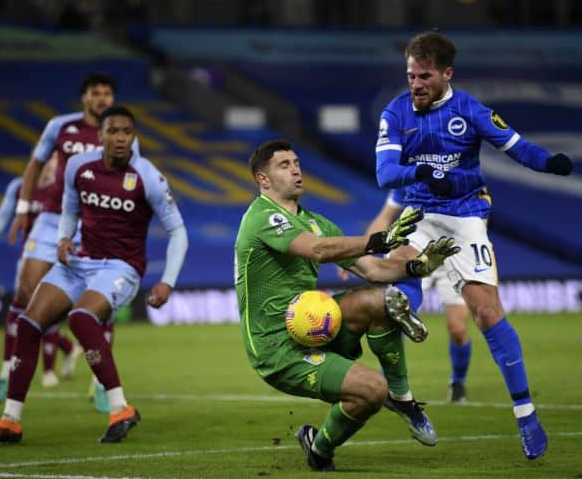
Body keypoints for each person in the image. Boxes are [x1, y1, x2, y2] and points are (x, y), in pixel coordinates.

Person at [374, 31, 573, 460]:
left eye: (424, 76)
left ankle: (525, 413)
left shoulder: (469, 110)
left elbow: (517, 148)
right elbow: (386, 174)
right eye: (410, 76)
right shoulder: (395, 112)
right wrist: (423, 176)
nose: (415, 85)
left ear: (446, 74)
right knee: (400, 262)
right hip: (420, 214)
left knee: (485, 312)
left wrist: (551, 164)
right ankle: (402, 303)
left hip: (465, 218)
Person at [234, 139, 460, 471]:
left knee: (385, 299)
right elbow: (318, 251)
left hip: (309, 323)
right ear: (263, 180)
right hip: (276, 348)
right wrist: (380, 240)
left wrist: (417, 267)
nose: (296, 169)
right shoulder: (262, 217)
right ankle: (320, 448)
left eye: (297, 162)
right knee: (370, 390)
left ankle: (401, 396)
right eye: (284, 165)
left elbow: (375, 269)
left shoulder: (317, 223)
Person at [0, 106, 188, 444]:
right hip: (80, 262)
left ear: (134, 137)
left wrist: (167, 281)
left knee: (81, 318)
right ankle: (10, 420)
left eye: (127, 132)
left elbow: (178, 231)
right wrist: (62, 238)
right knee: (28, 325)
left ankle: (120, 409)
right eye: (113, 131)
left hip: (121, 268)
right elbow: (70, 208)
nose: (120, 138)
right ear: (99, 136)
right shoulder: (77, 166)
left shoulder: (147, 176)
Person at [7, 72, 134, 412]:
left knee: (98, 305)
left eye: (108, 92)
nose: (103, 98)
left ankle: (100, 382)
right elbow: (34, 166)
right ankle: (22, 367)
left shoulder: (122, 134)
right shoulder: (60, 127)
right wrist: (22, 208)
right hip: (51, 218)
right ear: (84, 98)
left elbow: (134, 181)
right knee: (26, 292)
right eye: (96, 92)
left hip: (93, 223)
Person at [0, 155, 82, 403]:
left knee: (46, 313)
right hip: (28, 259)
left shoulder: (65, 188)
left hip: (57, 258)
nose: (50, 165)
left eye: (55, 160)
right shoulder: (20, 186)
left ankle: (47, 369)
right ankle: (6, 375)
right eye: (47, 160)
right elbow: (3, 216)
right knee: (22, 309)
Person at [368, 189, 472, 403]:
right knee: (395, 316)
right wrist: (362, 252)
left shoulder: (464, 176)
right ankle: (385, 383)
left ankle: (458, 382)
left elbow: (478, 220)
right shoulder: (410, 178)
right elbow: (385, 217)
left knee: (457, 328)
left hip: (451, 253)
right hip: (413, 252)